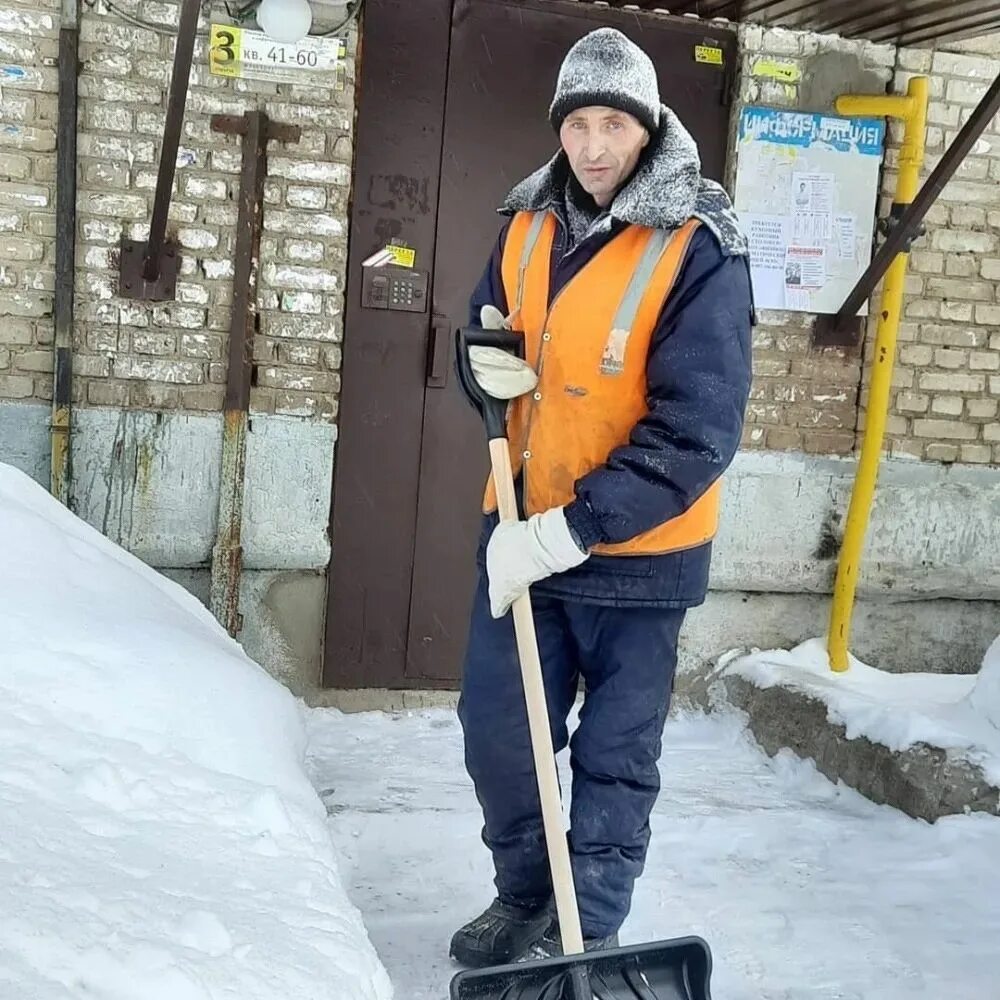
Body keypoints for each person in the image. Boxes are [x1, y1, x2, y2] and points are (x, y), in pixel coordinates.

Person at [450, 27, 755, 968]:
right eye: (577, 122)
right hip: (522, 538)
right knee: (499, 734)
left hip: (638, 559)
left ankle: (593, 925)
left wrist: (573, 530)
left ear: (647, 127)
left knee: (614, 760)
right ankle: (526, 896)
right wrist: (483, 372)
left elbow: (697, 432)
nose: (592, 145)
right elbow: (484, 337)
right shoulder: (528, 220)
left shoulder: (701, 242)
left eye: (612, 124)